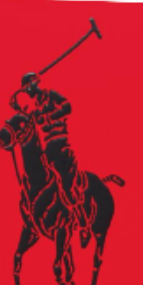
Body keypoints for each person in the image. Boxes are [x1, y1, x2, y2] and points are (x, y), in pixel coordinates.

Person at [11, 74, 86, 227]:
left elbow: (67, 106)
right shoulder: (34, 104)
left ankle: (81, 217)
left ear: (34, 84)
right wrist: (15, 106)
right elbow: (27, 119)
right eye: (24, 89)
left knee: (65, 183)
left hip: (60, 142)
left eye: (27, 88)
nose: (27, 91)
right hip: (46, 148)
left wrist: (49, 117)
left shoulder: (50, 95)